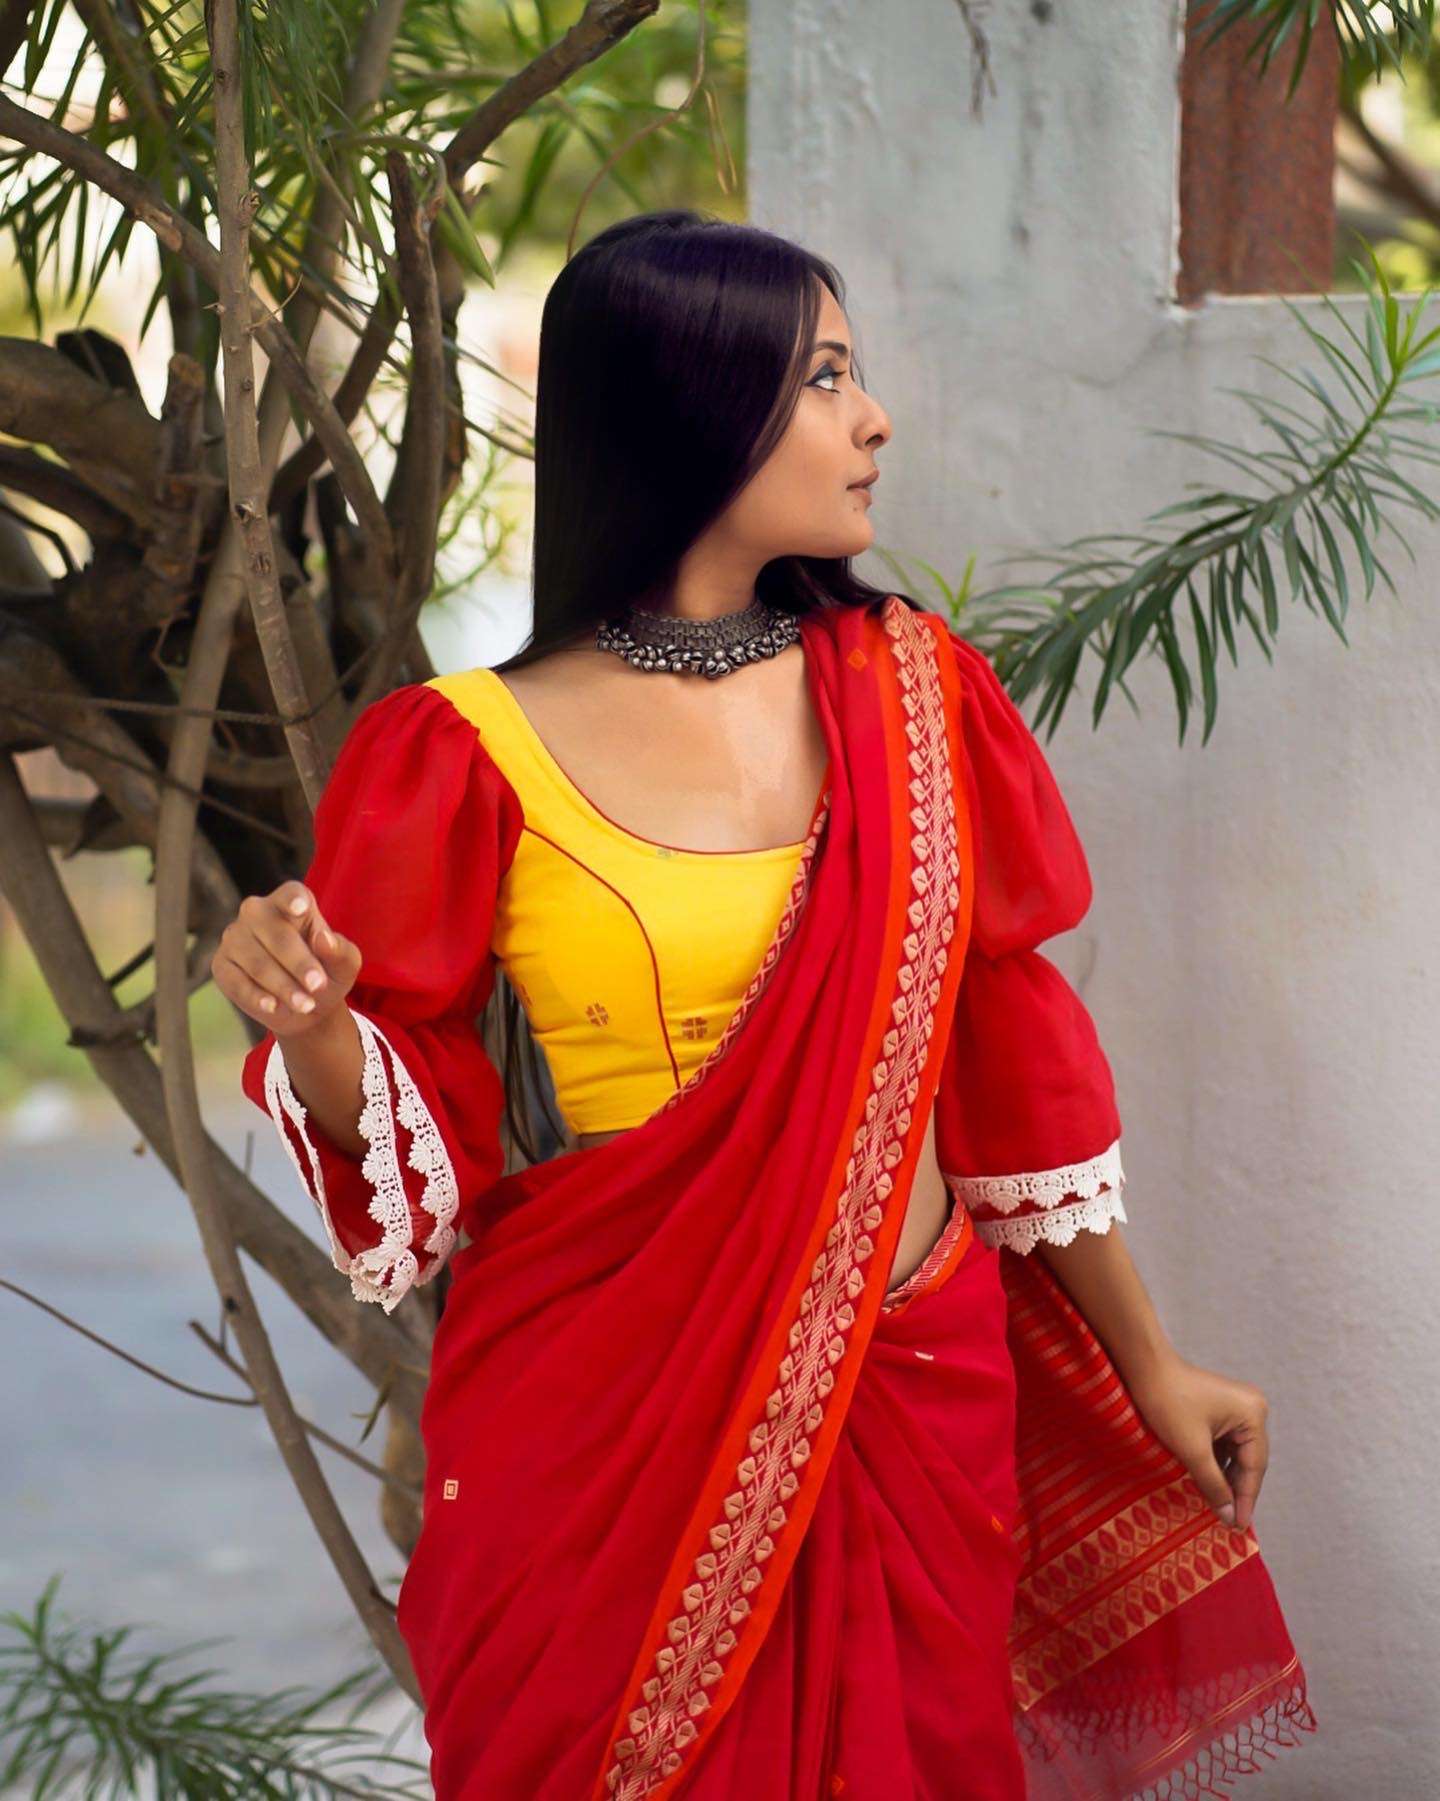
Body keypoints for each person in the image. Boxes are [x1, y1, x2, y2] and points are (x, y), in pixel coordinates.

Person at [219, 211, 1316, 1799]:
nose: (874, 421)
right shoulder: (463, 747)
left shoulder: (917, 699)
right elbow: (419, 1131)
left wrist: (1150, 1359)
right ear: (689, 406)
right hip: (608, 1408)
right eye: (824, 379)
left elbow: (1009, 1076)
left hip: (909, 1384)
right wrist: (316, 1022)